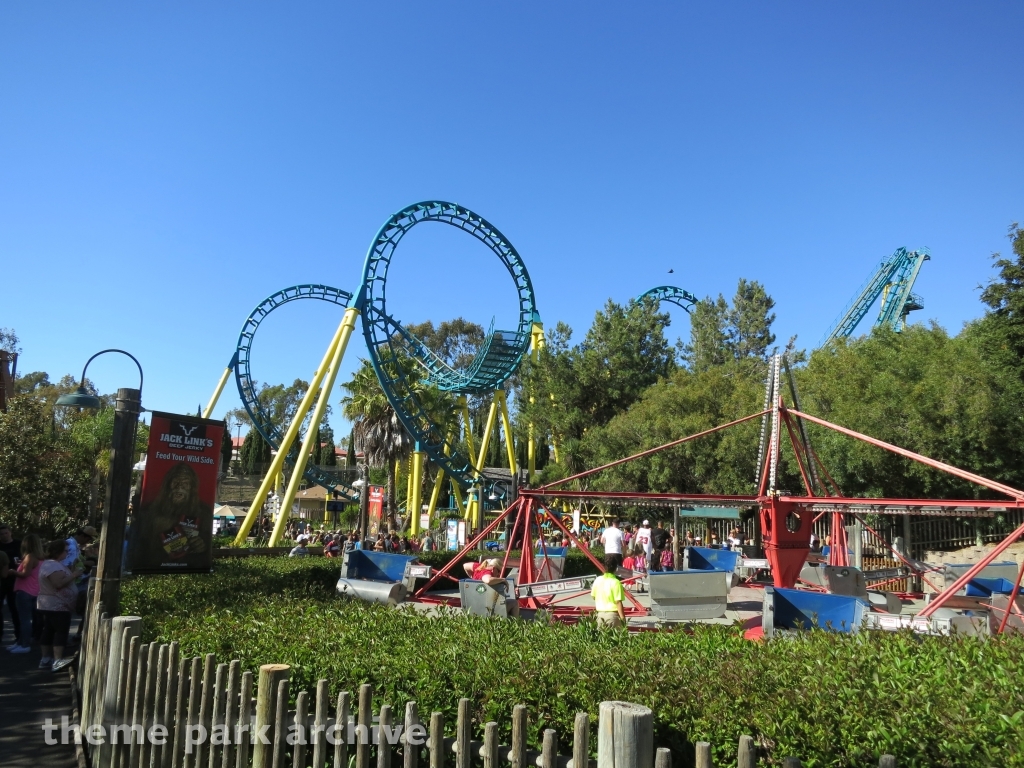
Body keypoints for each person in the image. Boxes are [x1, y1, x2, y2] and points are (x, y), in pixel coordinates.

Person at [130, 462, 214, 570]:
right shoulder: (149, 510)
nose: (179, 487)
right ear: (167, 485)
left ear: (191, 488)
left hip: (188, 568)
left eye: (185, 483)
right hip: (153, 568)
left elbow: (206, 549)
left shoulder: (204, 512)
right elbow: (140, 545)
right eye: (176, 482)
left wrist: (201, 545)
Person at [37, 538, 83, 672]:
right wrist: (74, 575)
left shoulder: (52, 564)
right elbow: (58, 584)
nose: (66, 553)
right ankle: (57, 660)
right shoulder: (52, 565)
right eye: (65, 551)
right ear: (58, 552)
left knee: (49, 630)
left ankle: (46, 659)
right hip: (56, 604)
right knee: (60, 631)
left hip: (52, 604)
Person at [8, 534, 43, 654]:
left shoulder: (30, 557)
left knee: (24, 619)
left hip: (25, 591)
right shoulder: (41, 557)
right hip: (35, 590)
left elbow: (25, 574)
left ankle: (25, 644)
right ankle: (20, 642)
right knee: (29, 618)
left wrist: (13, 571)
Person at [590, 554, 626, 628]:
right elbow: (618, 602)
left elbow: (593, 597)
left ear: (604, 566)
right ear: (616, 568)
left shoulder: (598, 580)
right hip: (613, 616)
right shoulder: (616, 582)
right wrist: (623, 619)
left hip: (599, 615)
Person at [0, 524, 21, 646]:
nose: (4, 535)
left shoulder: (19, 544)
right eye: (1, 534)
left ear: (10, 532)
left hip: (15, 579)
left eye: (5, 533)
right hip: (2, 581)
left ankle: (18, 636)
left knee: (15, 609)